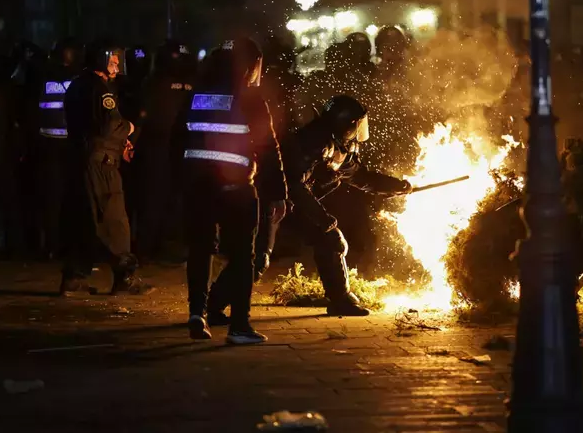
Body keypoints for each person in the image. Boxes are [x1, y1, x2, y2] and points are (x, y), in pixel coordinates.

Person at [209, 95, 412, 320]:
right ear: (347, 125)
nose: (359, 131)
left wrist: (398, 186)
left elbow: (361, 177)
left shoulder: (335, 145)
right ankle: (213, 304)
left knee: (331, 240)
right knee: (257, 259)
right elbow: (293, 184)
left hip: (294, 204)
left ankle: (341, 301)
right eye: (357, 124)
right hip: (270, 200)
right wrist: (321, 217)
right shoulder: (313, 142)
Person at [173, 37, 287, 344]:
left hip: (197, 185)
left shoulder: (195, 95)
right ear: (249, 65)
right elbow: (268, 148)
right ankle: (239, 327)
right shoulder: (249, 97)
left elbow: (177, 139)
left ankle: (197, 314)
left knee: (200, 248)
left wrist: (180, 181)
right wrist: (278, 193)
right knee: (241, 256)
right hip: (236, 188)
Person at [59, 40, 153, 295]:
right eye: (113, 59)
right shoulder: (100, 90)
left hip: (82, 161)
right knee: (114, 221)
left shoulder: (78, 84)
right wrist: (129, 128)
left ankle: (74, 278)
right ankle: (125, 277)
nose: (116, 64)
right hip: (101, 166)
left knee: (85, 220)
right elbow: (108, 126)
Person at [133, 40, 195, 262]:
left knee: (164, 198)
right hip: (167, 148)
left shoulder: (154, 82)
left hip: (167, 148)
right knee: (158, 199)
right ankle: (151, 246)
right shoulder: (162, 83)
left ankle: (157, 246)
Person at [36, 38, 82, 260]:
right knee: (72, 199)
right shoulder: (80, 79)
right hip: (72, 148)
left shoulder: (43, 77)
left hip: (49, 147)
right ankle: (68, 246)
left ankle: (53, 247)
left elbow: (31, 112)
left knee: (52, 200)